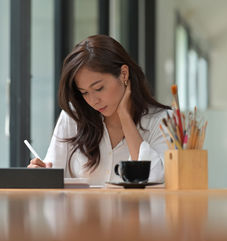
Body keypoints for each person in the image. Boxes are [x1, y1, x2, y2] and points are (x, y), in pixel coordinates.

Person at [28, 34, 170, 186]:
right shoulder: (74, 116)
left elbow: (156, 180)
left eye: (99, 88)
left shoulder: (162, 121)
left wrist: (125, 118)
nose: (93, 101)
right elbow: (51, 175)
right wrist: (39, 174)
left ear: (124, 74)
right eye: (84, 92)